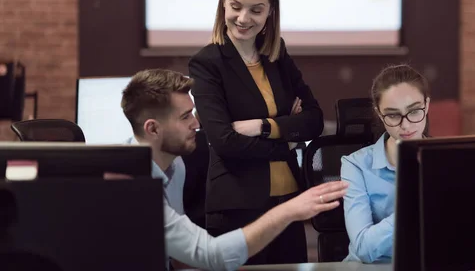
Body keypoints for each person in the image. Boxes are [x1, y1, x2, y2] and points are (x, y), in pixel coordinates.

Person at [121, 69, 345, 271]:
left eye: (192, 113)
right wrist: (290, 211)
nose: (197, 124)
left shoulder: (174, 165)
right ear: (153, 128)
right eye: (185, 117)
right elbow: (211, 254)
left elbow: (180, 255)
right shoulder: (134, 185)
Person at [188, 0, 324, 264]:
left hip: (289, 203)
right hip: (238, 206)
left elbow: (313, 119)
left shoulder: (276, 54)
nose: (243, 18)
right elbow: (225, 142)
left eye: (256, 10)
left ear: (270, 12)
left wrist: (263, 126)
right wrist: (287, 136)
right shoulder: (207, 63)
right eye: (236, 7)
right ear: (223, 2)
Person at [340, 64, 430, 264]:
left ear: (427, 105)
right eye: (393, 115)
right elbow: (363, 247)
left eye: (415, 111)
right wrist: (413, 206)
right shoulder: (355, 165)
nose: (405, 125)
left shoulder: (446, 162)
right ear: (379, 114)